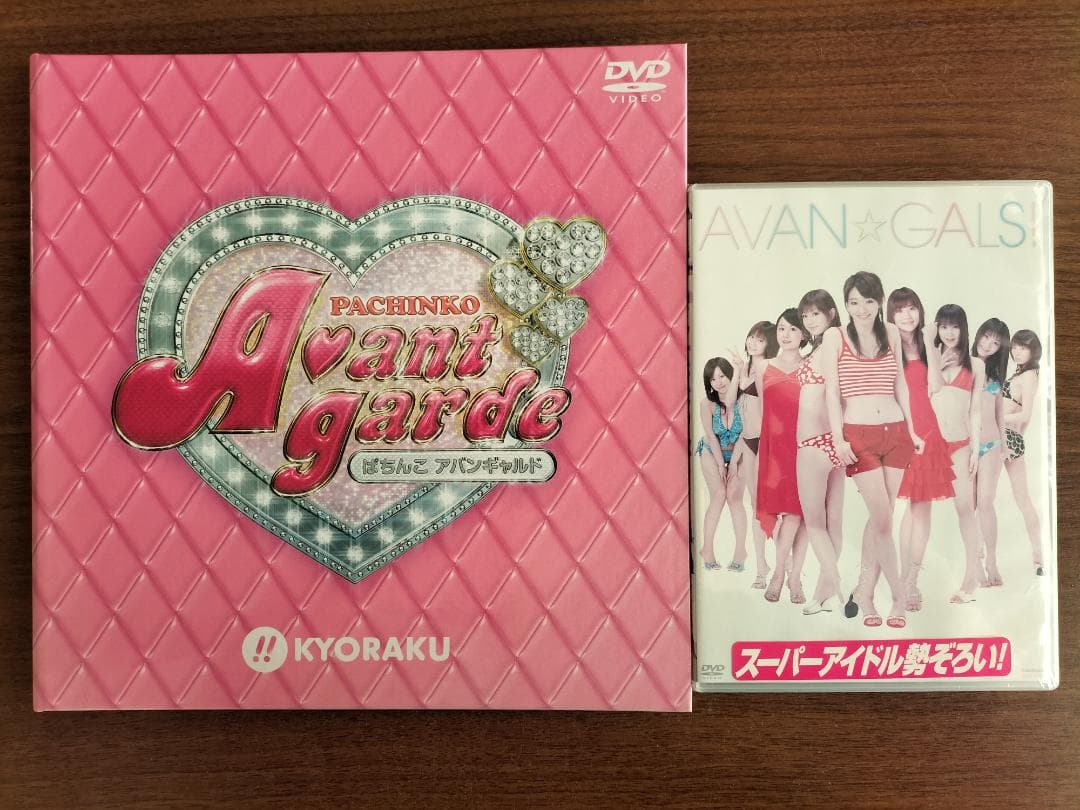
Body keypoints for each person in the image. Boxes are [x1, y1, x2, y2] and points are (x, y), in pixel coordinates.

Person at [823, 272, 920, 629]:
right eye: (853, 302)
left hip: (895, 432)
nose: (861, 309)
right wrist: (838, 438)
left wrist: (912, 429)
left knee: (883, 518)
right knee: (882, 520)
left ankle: (864, 592)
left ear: (879, 301)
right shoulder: (835, 336)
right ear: (846, 305)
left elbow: (901, 386)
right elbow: (832, 392)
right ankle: (898, 597)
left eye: (868, 301)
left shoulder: (891, 332)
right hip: (858, 436)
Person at [889, 288, 955, 611]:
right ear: (891, 315)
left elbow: (937, 386)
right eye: (900, 309)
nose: (907, 315)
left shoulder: (930, 345)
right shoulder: (887, 346)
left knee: (921, 508)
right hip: (900, 430)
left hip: (928, 430)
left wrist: (929, 342)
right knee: (907, 508)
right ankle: (903, 578)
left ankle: (910, 580)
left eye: (912, 308)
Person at [928, 304, 984, 603]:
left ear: (963, 328)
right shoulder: (930, 359)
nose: (949, 333)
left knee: (964, 509)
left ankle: (970, 579)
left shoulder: (976, 364)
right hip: (931, 447)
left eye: (955, 326)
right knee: (917, 512)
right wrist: (935, 364)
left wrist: (976, 449)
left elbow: (975, 411)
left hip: (961, 445)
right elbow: (922, 400)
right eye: (944, 326)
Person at [794, 290, 845, 615]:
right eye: (805, 315)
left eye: (815, 313)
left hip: (813, 443)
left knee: (815, 525)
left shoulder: (828, 343)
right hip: (833, 444)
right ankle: (823, 596)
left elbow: (834, 392)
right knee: (833, 525)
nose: (809, 320)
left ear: (831, 313)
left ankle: (839, 590)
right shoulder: (834, 345)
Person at [755, 309, 807, 603]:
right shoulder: (763, 366)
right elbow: (764, 412)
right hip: (774, 448)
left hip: (802, 447)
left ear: (803, 334)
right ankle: (785, 573)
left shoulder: (811, 366)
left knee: (799, 512)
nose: (785, 335)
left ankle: (787, 576)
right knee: (777, 513)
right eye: (781, 329)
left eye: (792, 329)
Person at [734, 322, 778, 586]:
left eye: (760, 340)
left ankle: (783, 563)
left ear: (769, 345)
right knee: (755, 505)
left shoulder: (767, 368)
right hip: (747, 440)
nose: (753, 342)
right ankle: (761, 566)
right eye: (751, 337)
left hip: (765, 442)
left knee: (771, 504)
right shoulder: (745, 367)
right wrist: (739, 371)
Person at [695, 357, 746, 571]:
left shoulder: (744, 400)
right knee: (718, 495)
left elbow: (745, 434)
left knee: (734, 497)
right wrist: (719, 464)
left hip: (739, 452)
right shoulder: (706, 404)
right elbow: (711, 436)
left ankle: (740, 551)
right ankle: (707, 549)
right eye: (713, 379)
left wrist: (732, 464)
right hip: (711, 451)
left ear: (730, 376)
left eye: (722, 376)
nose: (718, 382)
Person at [971, 318, 1011, 586]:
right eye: (986, 337)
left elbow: (999, 414)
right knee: (969, 506)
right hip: (965, 446)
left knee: (985, 503)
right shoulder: (962, 364)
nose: (988, 344)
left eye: (996, 342)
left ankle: (992, 561)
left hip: (992, 444)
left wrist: (1004, 444)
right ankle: (974, 562)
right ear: (978, 335)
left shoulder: (996, 376)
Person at [1002, 330, 1045, 575]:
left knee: (1020, 499)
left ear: (1033, 350)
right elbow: (1023, 419)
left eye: (1023, 348)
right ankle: (1039, 556)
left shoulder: (1028, 376)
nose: (1017, 352)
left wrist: (996, 418)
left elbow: (1025, 414)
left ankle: (1039, 554)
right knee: (1022, 499)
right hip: (1009, 437)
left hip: (1005, 437)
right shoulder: (1023, 373)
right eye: (1015, 347)